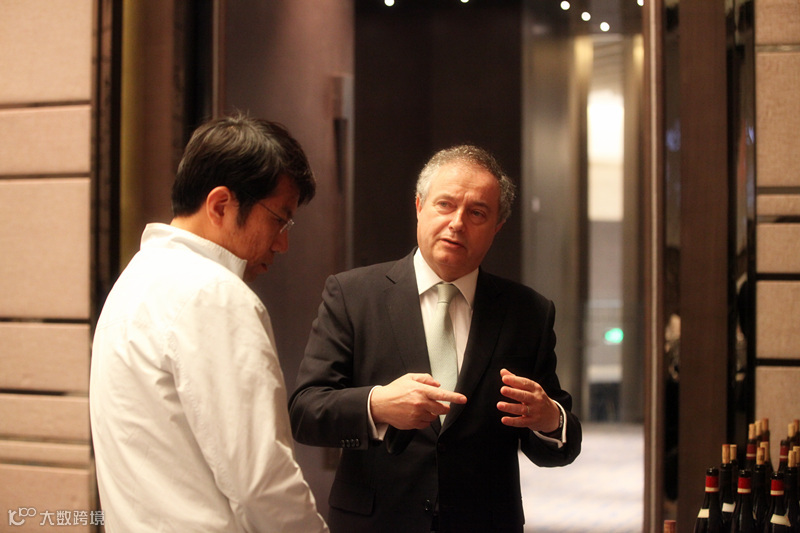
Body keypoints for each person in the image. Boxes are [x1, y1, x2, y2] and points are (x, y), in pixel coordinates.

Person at [289, 145, 582, 533]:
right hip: (376, 523)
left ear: (497, 226)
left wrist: (549, 419)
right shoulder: (353, 295)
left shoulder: (528, 312)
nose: (457, 223)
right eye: (445, 205)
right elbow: (306, 412)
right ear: (419, 206)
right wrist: (377, 405)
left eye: (477, 213)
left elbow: (560, 444)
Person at [90, 114, 328, 532]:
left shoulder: (133, 281)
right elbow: (261, 483)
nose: (283, 243)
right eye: (279, 219)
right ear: (220, 205)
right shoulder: (213, 293)